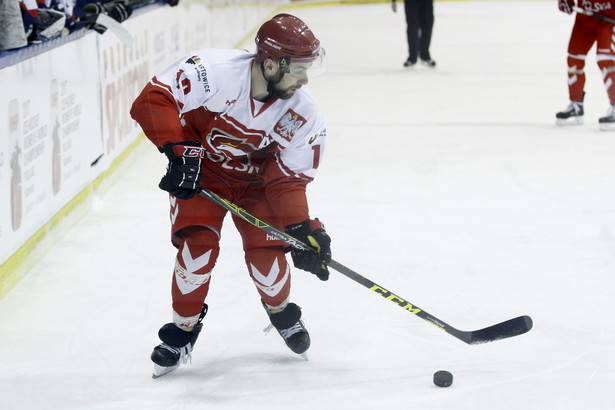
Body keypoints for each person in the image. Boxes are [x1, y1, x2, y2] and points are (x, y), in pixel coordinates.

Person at [130, 13, 332, 378]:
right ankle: (183, 329)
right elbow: (153, 99)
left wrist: (303, 227)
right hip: (202, 173)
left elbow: (288, 179)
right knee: (197, 251)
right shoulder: (216, 72)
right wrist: (180, 152)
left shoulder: (303, 113)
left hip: (259, 185)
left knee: (267, 264)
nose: (304, 80)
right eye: (299, 69)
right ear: (271, 63)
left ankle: (280, 309)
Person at [556, 0, 615, 129]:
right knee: (574, 59)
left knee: (606, 61)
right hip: (585, 17)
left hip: (610, 16)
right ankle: (576, 104)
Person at [392, 0, 436, 68]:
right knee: (412, 28)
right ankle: (412, 57)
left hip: (427, 2)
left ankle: (425, 55)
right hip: (411, 2)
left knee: (427, 25)